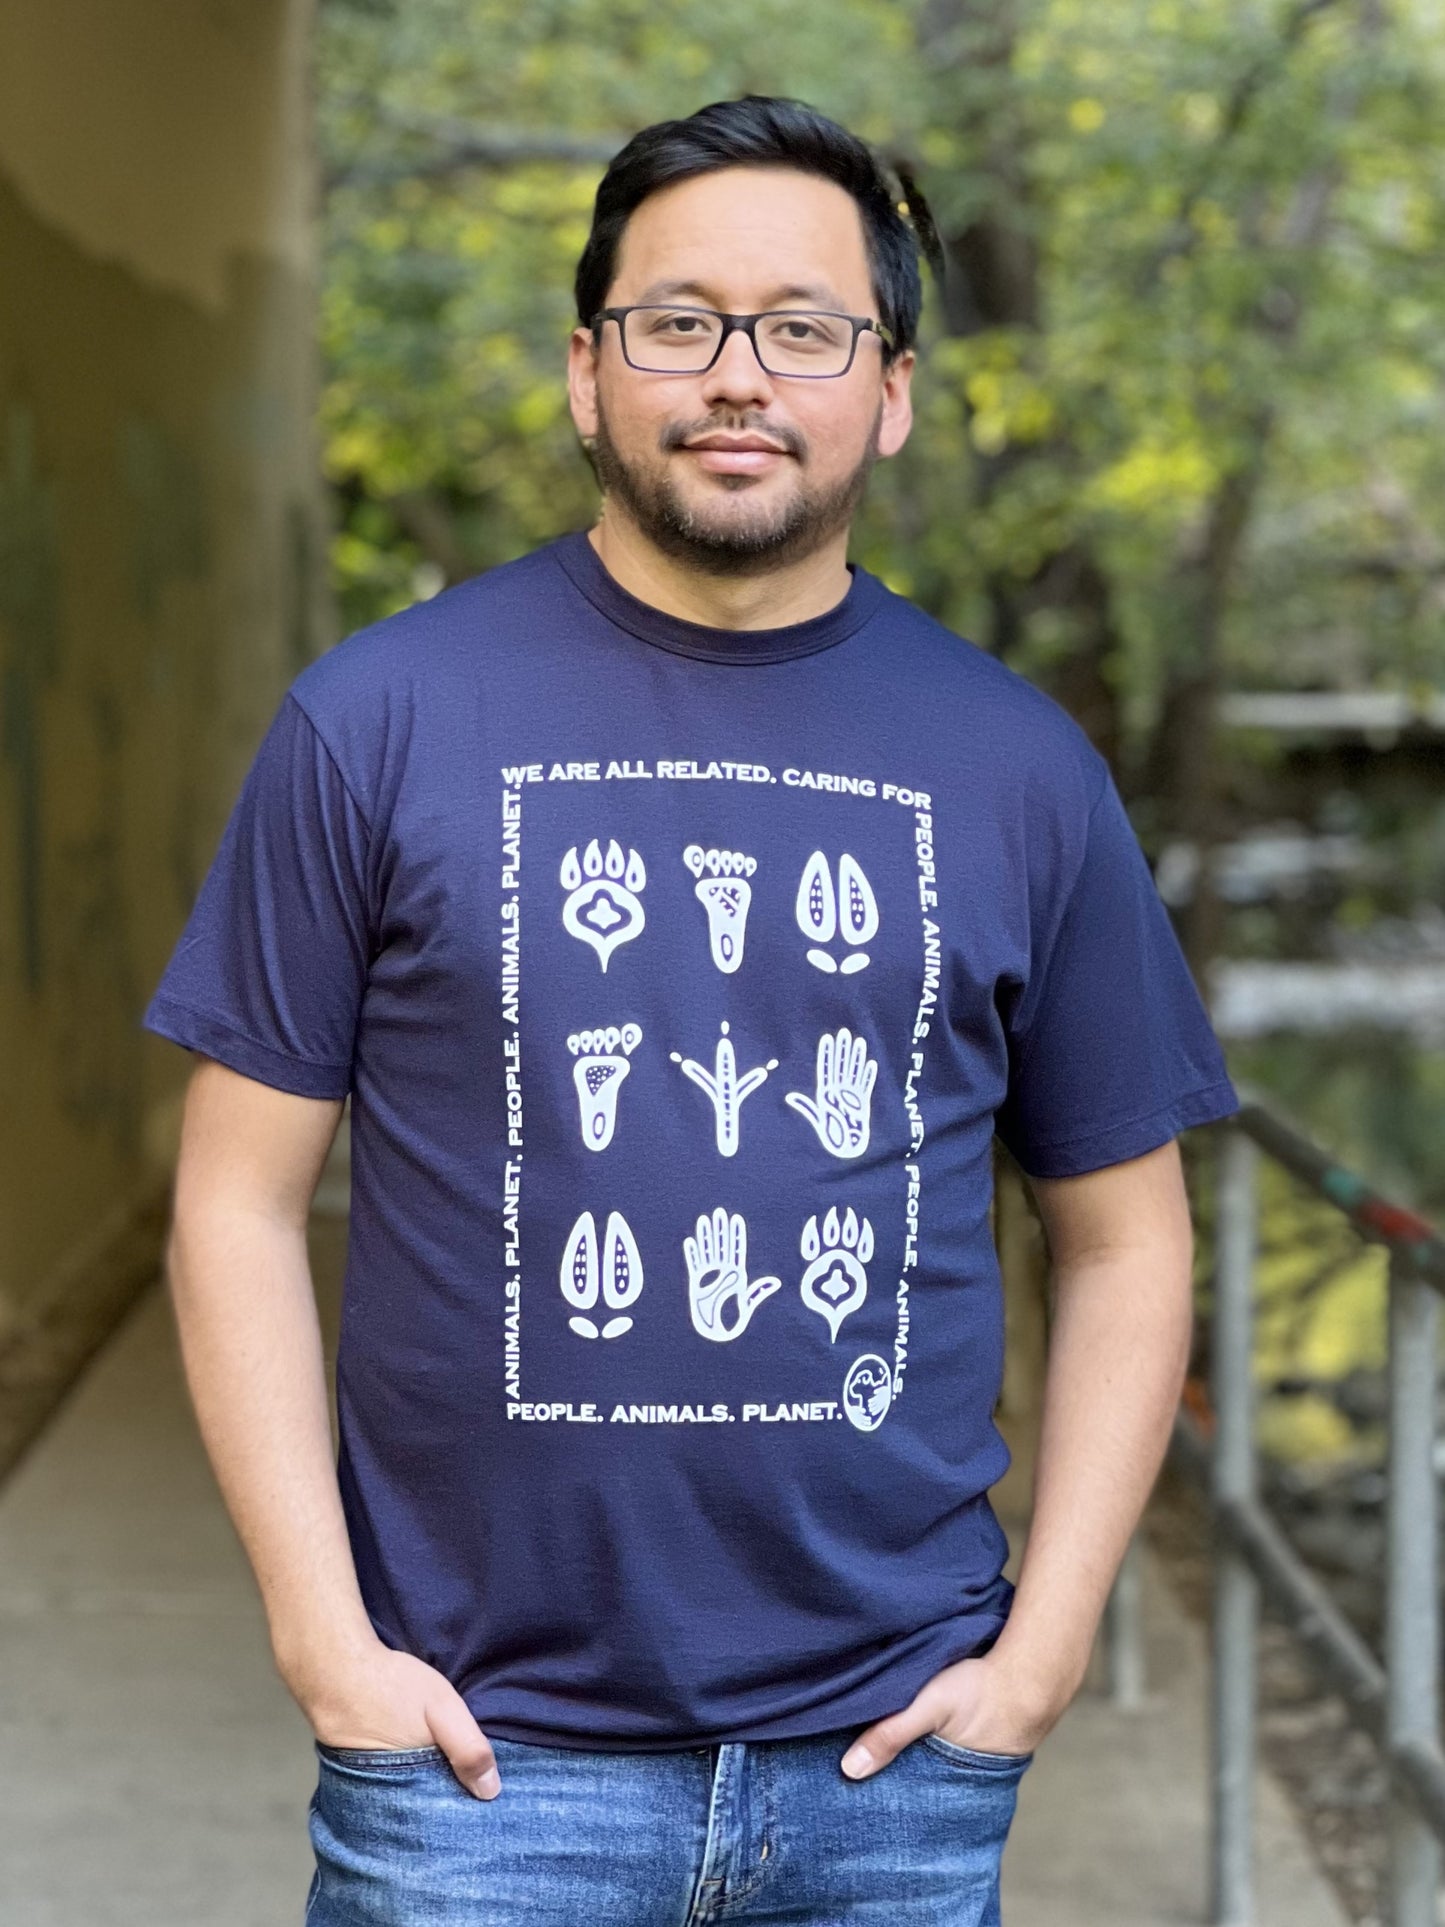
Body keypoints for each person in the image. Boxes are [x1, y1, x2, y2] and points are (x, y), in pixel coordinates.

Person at [142, 94, 1240, 1927]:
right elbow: (233, 1200)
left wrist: (1038, 1659)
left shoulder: (1017, 766)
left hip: (889, 1772)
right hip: (477, 1778)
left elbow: (1124, 1241)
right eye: (679, 322)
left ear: (885, 388)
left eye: (804, 328)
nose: (739, 375)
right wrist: (325, 1642)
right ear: (589, 372)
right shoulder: (380, 720)